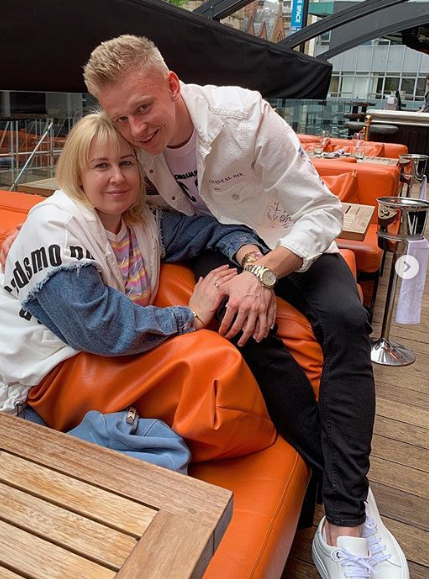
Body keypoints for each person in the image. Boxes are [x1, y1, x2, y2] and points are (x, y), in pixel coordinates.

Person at [80, 35, 409, 579]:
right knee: (244, 330)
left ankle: (342, 515)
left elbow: (323, 212)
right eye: (120, 118)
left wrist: (264, 272)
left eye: (143, 108)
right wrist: (41, 229)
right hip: (218, 246)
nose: (135, 130)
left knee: (347, 321)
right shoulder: (129, 143)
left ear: (172, 84)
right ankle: (350, 510)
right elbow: (90, 184)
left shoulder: (243, 117)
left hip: (291, 240)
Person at [0, 111, 268, 426]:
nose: (117, 177)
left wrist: (254, 268)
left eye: (126, 163)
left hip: (19, 391)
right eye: (101, 165)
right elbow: (99, 327)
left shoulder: (146, 225)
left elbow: (214, 229)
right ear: (79, 174)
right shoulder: (55, 223)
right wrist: (190, 316)